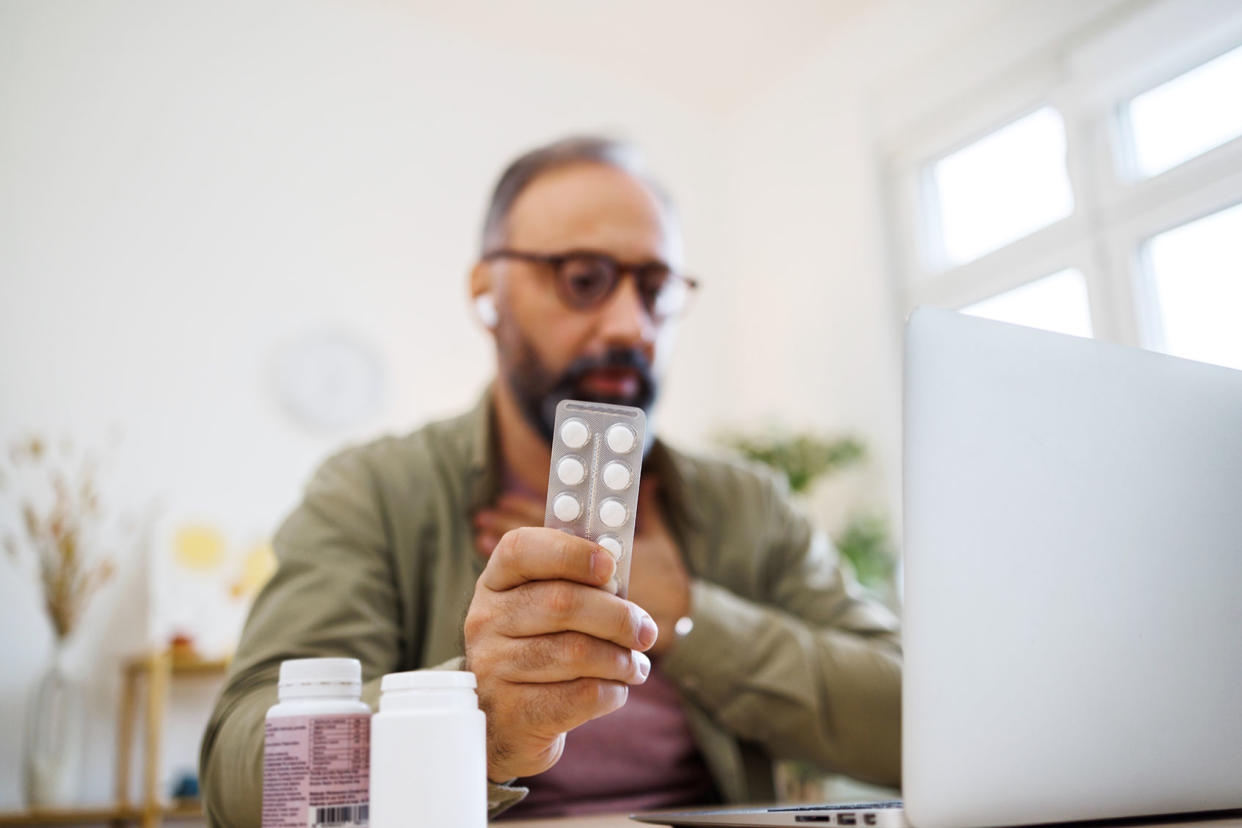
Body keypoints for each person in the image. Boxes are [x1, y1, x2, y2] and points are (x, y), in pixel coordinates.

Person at [199, 136, 901, 826]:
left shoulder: (748, 504)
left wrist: (684, 613)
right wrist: (479, 719)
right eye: (582, 278)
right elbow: (244, 768)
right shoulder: (374, 492)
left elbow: (918, 716)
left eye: (656, 289)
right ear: (487, 294)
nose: (633, 324)